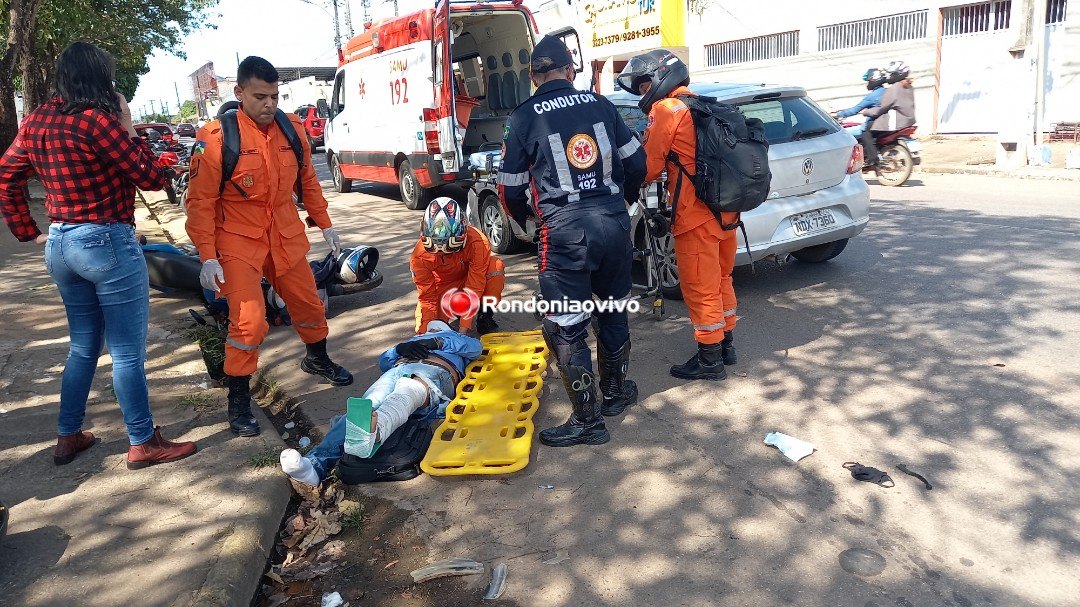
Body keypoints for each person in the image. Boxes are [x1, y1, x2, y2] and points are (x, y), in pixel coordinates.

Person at [0, 41, 197, 469]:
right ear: (99, 79)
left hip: (61, 246)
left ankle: (68, 434)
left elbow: (6, 174)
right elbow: (149, 176)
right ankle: (143, 441)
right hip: (106, 242)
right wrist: (127, 125)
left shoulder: (35, 121)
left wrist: (27, 231)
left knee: (82, 347)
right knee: (127, 354)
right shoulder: (98, 122)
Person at [185, 56, 352, 438]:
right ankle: (240, 399)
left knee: (309, 303)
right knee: (250, 321)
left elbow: (308, 182)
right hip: (237, 239)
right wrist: (207, 256)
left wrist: (324, 224)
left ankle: (317, 359)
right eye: (260, 96)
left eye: (275, 96)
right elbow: (200, 204)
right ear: (239, 92)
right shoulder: (215, 140)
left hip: (284, 231)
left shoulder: (292, 131)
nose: (269, 104)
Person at [498, 36, 646, 447]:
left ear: (533, 77)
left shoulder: (523, 117)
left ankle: (588, 420)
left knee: (565, 325)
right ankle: (615, 393)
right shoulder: (602, 105)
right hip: (614, 225)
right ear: (570, 70)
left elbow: (509, 189)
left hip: (564, 233)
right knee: (614, 309)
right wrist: (623, 202)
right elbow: (638, 163)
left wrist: (533, 220)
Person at [618, 49, 738, 382]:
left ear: (657, 80)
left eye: (643, 87)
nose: (643, 94)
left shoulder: (666, 110)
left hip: (695, 214)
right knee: (722, 280)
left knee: (700, 288)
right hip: (725, 211)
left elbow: (648, 165)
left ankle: (710, 359)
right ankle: (726, 345)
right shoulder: (704, 104)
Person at [279, 321, 481, 484]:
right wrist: (400, 349)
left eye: (436, 329)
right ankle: (314, 466)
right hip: (397, 370)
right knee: (366, 405)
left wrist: (439, 342)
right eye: (430, 330)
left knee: (407, 391)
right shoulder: (413, 340)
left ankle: (377, 431)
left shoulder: (452, 339)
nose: (431, 331)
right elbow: (384, 362)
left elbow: (475, 348)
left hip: (433, 371)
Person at [411, 197, 504, 335]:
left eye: (450, 248)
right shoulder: (419, 256)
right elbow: (427, 297)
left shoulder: (478, 242)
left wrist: (463, 329)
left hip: (468, 281)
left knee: (495, 267)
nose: (443, 252)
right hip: (443, 287)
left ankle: (485, 316)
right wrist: (424, 335)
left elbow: (475, 285)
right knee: (426, 328)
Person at [859, 61, 915, 165]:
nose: (889, 76)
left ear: (897, 74)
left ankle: (873, 159)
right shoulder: (909, 87)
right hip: (909, 121)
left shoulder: (893, 89)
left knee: (866, 132)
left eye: (891, 74)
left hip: (896, 122)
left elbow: (881, 109)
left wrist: (867, 112)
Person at [835, 68, 888, 137]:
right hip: (885, 123)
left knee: (843, 134)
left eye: (868, 81)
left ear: (873, 80)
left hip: (874, 125)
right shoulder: (886, 91)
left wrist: (837, 115)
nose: (868, 84)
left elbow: (854, 111)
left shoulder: (872, 96)